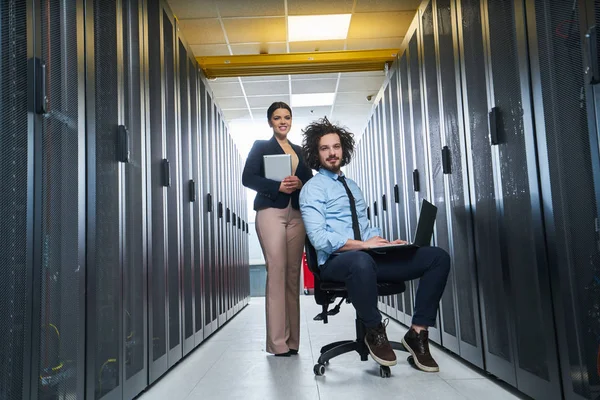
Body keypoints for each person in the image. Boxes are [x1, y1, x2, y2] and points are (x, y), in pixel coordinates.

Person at [299, 117, 450, 372]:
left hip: (369, 258)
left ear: (343, 149)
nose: (332, 152)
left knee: (437, 257)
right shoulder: (313, 189)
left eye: (336, 146)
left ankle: (417, 332)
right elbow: (319, 238)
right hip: (337, 262)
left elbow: (366, 229)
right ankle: (374, 330)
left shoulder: (353, 187)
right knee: (361, 260)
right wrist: (363, 246)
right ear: (316, 154)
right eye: (325, 148)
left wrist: (386, 244)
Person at [242, 101, 313, 357]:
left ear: (291, 120)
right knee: (277, 270)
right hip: (271, 211)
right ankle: (277, 343)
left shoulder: (300, 151)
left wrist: (300, 181)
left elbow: (311, 181)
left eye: (286, 117)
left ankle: (293, 342)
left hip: (297, 213)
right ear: (270, 121)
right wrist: (277, 187)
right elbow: (247, 178)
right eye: (277, 117)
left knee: (293, 275)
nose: (282, 121)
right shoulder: (261, 146)